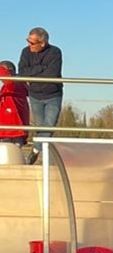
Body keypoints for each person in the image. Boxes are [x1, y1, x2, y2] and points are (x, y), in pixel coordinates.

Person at [17, 27, 62, 162]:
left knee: (48, 126)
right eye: (27, 41)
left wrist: (34, 72)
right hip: (35, 95)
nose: (28, 45)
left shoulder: (55, 52)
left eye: (31, 43)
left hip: (53, 95)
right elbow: (22, 73)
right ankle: (47, 158)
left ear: (42, 43)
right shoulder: (25, 52)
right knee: (40, 127)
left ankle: (36, 151)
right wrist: (42, 68)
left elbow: (52, 74)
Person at [0, 60, 29, 146]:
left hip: (12, 131)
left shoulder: (14, 84)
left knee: (8, 156)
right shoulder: (8, 86)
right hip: (9, 130)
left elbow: (7, 78)